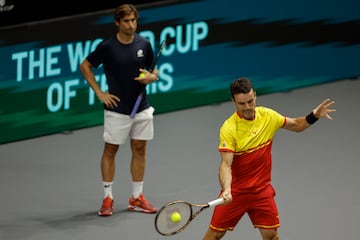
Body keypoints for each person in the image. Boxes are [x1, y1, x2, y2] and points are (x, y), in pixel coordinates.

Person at [202, 77, 336, 240]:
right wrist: (227, 188)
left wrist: (314, 115)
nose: (247, 107)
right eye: (242, 104)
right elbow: (225, 164)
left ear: (255, 96)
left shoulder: (268, 116)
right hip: (236, 192)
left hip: (261, 191)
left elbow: (296, 125)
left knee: (271, 236)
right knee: (214, 236)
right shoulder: (229, 128)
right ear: (233, 101)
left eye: (250, 101)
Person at [79, 4, 159, 216]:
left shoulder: (144, 43)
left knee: (140, 149)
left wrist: (152, 77)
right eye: (126, 21)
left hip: (141, 107)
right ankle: (108, 198)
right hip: (117, 109)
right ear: (117, 22)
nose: (131, 25)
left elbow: (152, 69)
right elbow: (85, 66)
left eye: (133, 20)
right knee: (110, 151)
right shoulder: (107, 47)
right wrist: (100, 93)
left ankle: (137, 197)